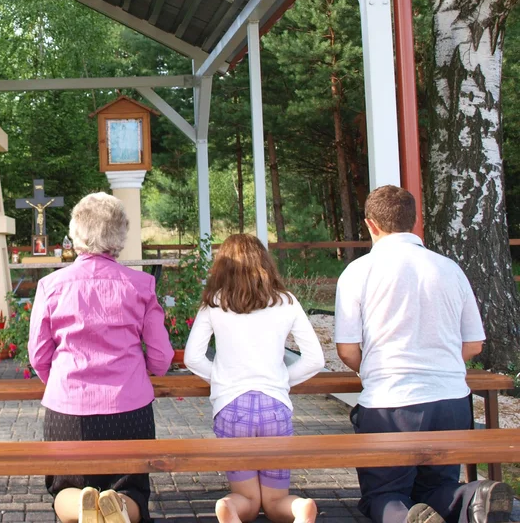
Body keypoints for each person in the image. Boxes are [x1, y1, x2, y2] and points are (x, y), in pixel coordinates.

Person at [335, 185, 511, 523]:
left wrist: (371, 369)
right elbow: (473, 345)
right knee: (436, 487)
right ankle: (474, 494)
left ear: (371, 224)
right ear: (414, 221)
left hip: (390, 403)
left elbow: (346, 349)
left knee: (385, 494)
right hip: (451, 401)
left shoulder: (358, 272)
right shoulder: (450, 269)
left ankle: (405, 520)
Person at [29, 192, 174, 523]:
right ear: (119, 236)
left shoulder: (51, 286)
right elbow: (162, 357)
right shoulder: (141, 284)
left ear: (76, 233)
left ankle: (82, 509)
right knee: (131, 490)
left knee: (64, 487)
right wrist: (146, 370)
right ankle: (117, 509)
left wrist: (60, 383)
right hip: (128, 408)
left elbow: (38, 355)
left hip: (68, 411)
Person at [183, 234, 325, 523]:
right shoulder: (286, 302)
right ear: (265, 263)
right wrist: (282, 380)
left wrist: (222, 380)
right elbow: (315, 360)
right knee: (275, 502)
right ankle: (300, 509)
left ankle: (229, 509)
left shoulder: (215, 302)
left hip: (232, 409)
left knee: (247, 498)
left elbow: (192, 358)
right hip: (275, 406)